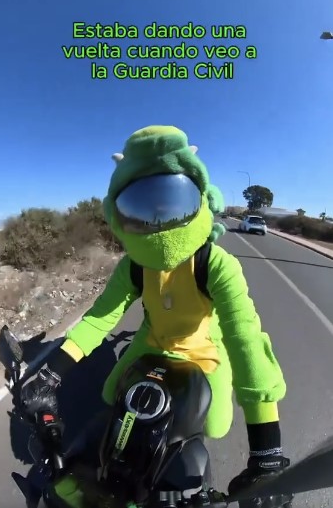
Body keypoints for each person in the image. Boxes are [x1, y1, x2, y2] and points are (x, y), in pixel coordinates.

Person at [21, 126, 292, 507]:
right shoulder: (133, 266)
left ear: (199, 200)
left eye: (171, 204)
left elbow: (244, 338)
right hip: (152, 342)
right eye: (142, 211)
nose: (159, 223)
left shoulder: (215, 263)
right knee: (109, 395)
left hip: (204, 350)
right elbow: (99, 318)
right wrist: (50, 375)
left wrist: (266, 453)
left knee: (214, 423)